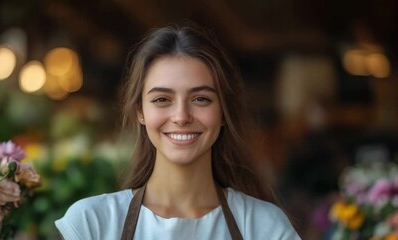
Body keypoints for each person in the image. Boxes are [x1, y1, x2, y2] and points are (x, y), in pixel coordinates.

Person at [55, 23, 301, 240]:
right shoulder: (93, 223)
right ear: (140, 111)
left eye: (201, 99)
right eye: (162, 99)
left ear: (223, 112)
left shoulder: (263, 227)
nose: (181, 116)